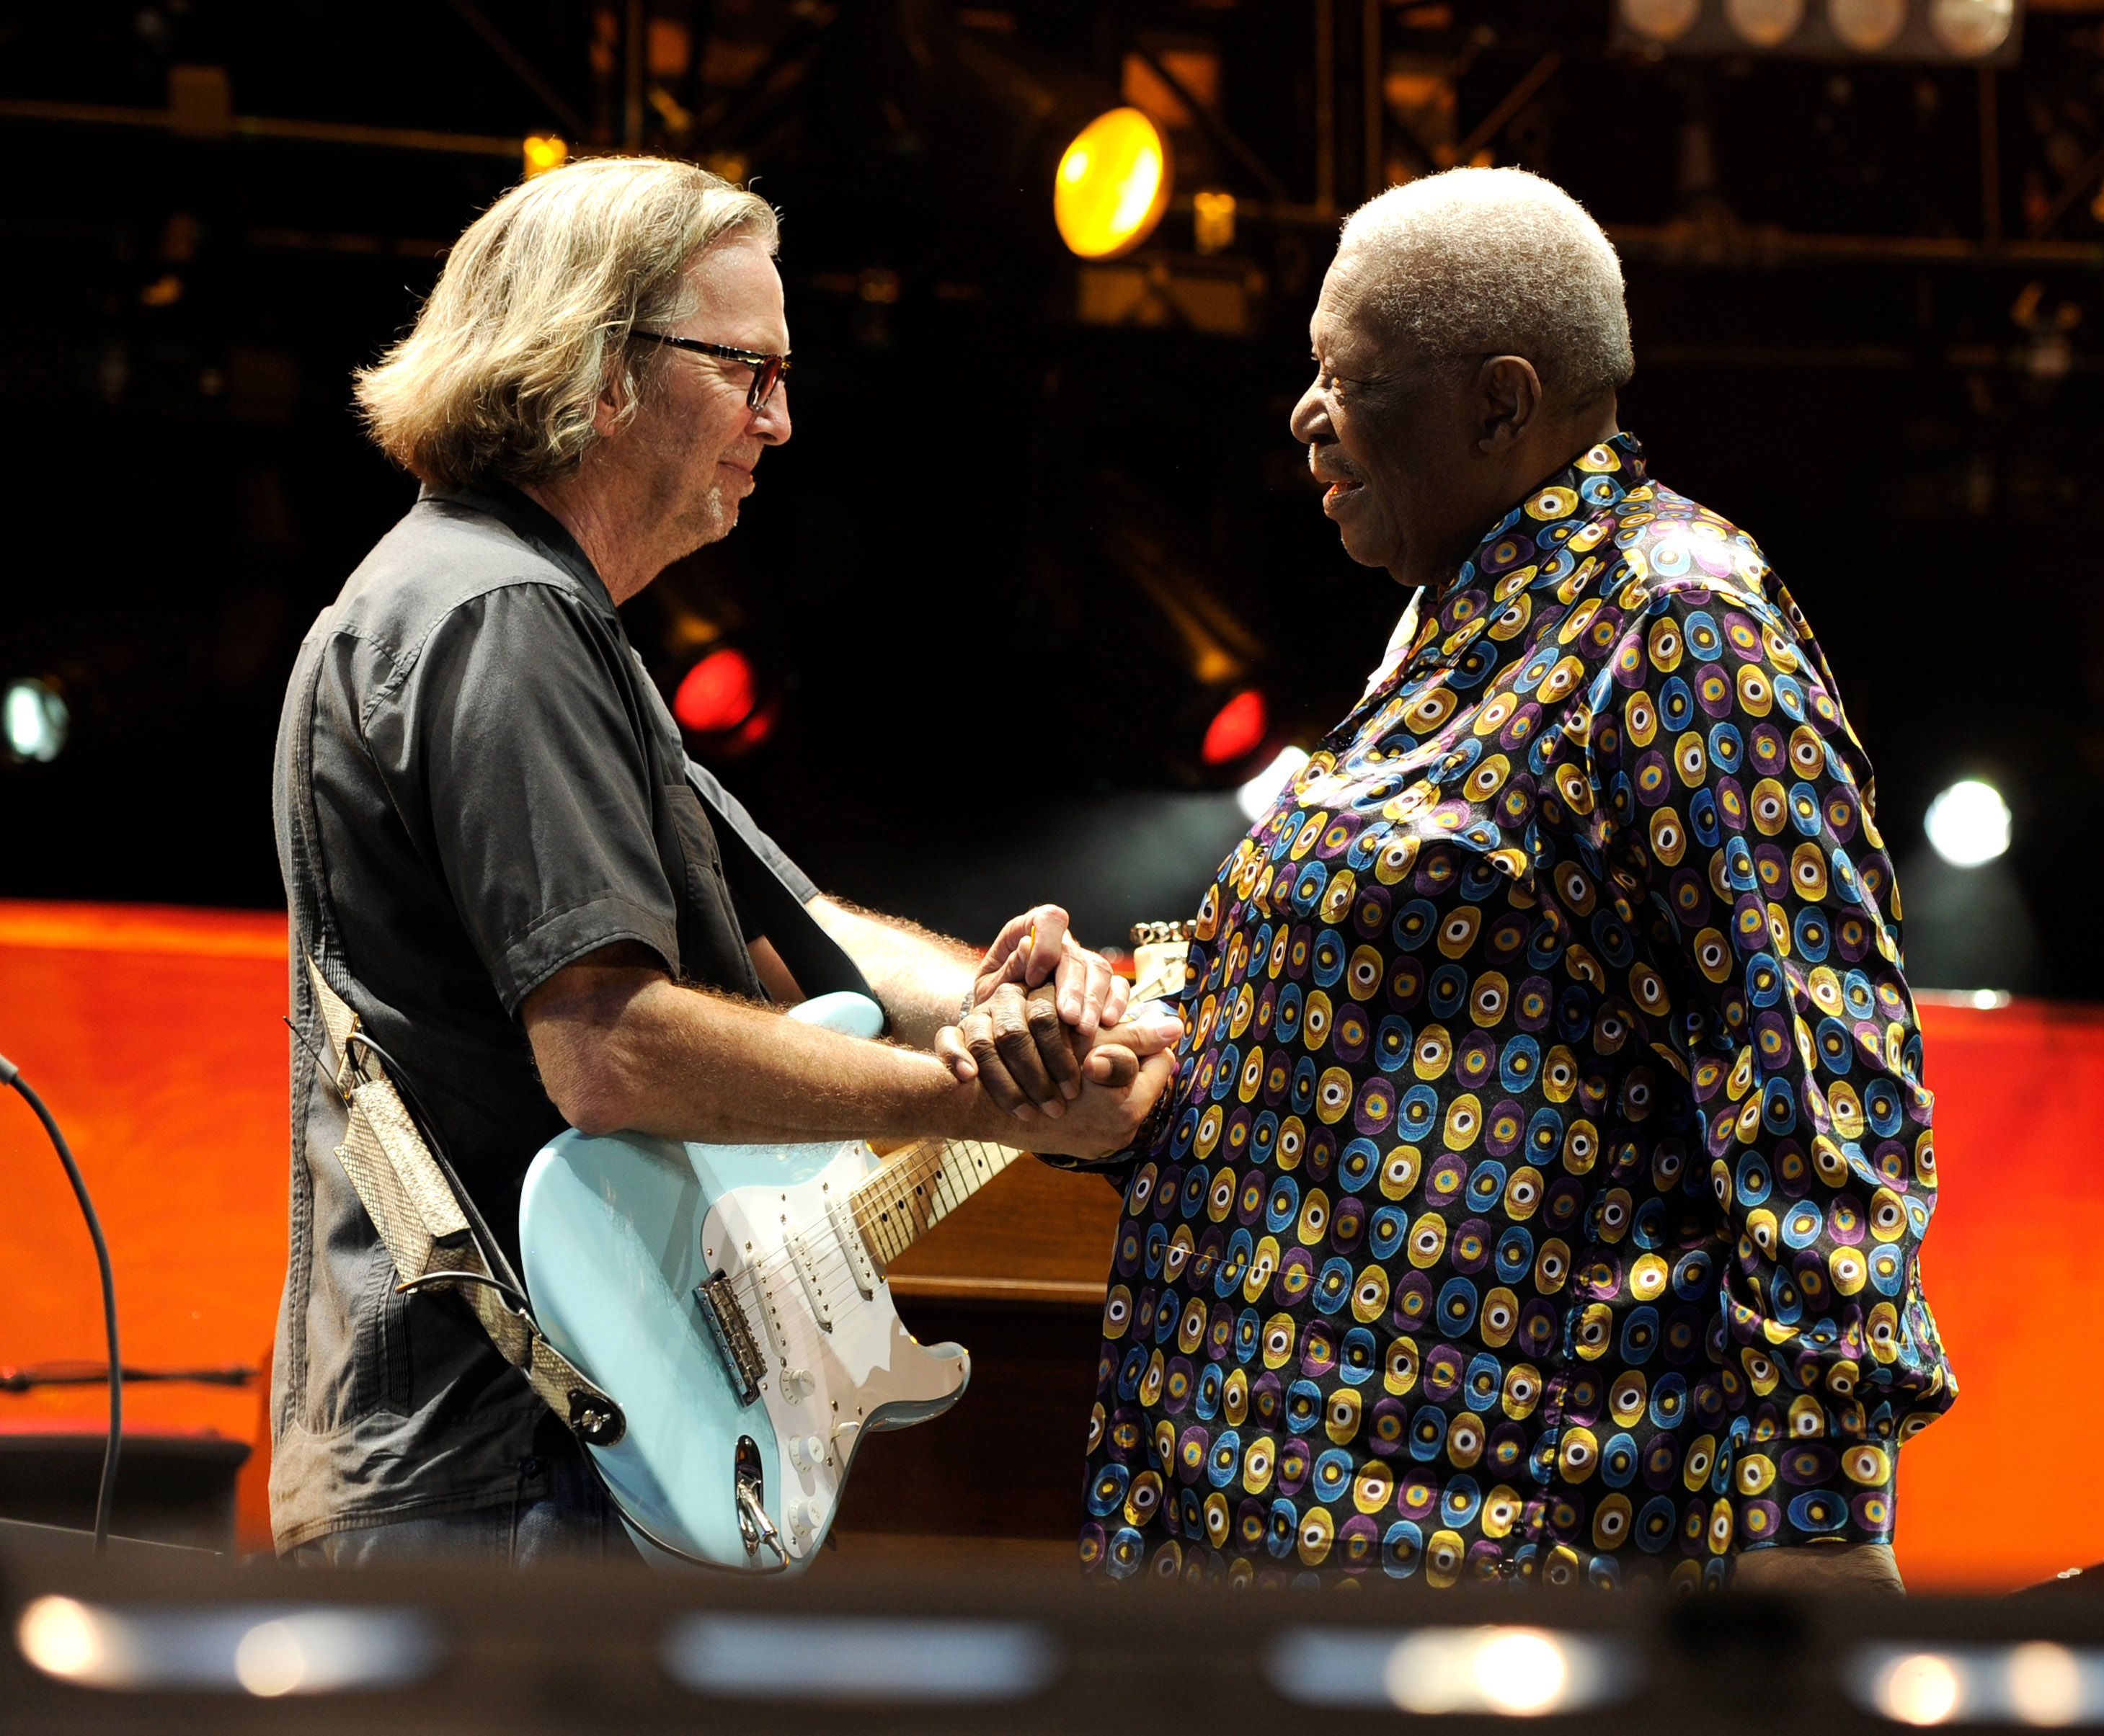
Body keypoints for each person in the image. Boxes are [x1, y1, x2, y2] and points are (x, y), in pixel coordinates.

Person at [1049, 167, 1954, 1594]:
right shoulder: (1449, 626)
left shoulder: (1676, 625)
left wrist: (1817, 1543)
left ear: (1499, 400)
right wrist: (1112, 1026)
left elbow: (1822, 1104)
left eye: (1346, 377)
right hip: (1250, 1536)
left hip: (1485, 1564)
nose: (1303, 413)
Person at [270, 156, 1176, 1564]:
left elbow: (807, 933)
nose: (783, 419)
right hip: (505, 1464)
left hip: (541, 1451)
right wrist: (980, 1099)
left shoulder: (540, 619)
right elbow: (608, 1051)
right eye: (750, 369)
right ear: (602, 368)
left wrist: (1066, 1010)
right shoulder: (495, 612)